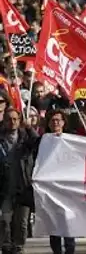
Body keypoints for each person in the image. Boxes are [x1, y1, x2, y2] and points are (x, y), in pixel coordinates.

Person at [0, 108, 39, 254]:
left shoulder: (25, 138)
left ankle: (19, 246)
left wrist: (29, 127)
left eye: (15, 119)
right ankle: (5, 245)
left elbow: (37, 142)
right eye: (9, 119)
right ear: (4, 121)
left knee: (22, 223)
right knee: (5, 220)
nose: (12, 122)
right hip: (5, 187)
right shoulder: (0, 138)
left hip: (23, 186)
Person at [43, 110, 76, 254]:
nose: (55, 122)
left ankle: (70, 250)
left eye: (58, 120)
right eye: (52, 120)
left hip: (67, 188)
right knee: (54, 223)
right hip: (49, 188)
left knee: (68, 222)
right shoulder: (43, 140)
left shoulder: (71, 139)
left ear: (63, 122)